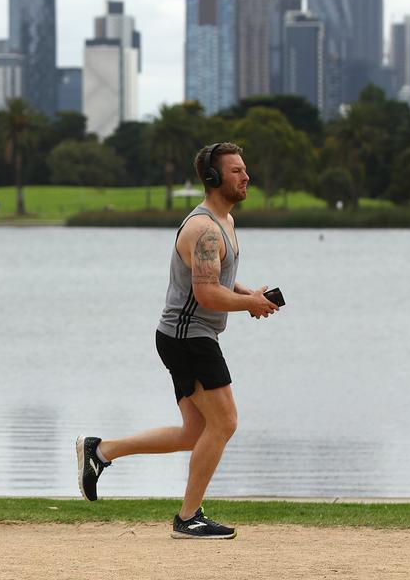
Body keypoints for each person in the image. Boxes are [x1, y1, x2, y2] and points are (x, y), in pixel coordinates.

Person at [76, 142, 279, 538]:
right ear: (214, 178)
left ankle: (100, 451)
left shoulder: (224, 224)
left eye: (244, 169)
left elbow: (215, 279)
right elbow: (206, 294)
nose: (246, 176)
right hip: (189, 337)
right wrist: (247, 303)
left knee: (194, 433)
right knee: (225, 423)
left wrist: (249, 295)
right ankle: (188, 518)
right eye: (236, 171)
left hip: (187, 336)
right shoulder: (203, 229)